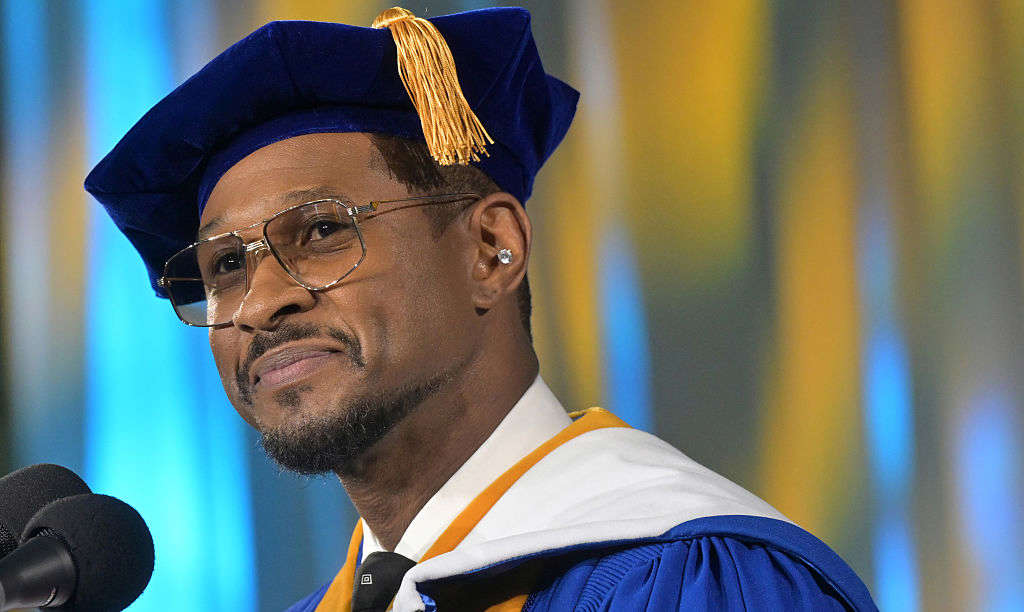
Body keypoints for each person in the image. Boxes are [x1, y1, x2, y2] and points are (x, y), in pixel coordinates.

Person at [85, 6, 876, 611]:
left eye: (322, 230)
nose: (260, 303)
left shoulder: (688, 578)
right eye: (226, 266)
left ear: (490, 249)